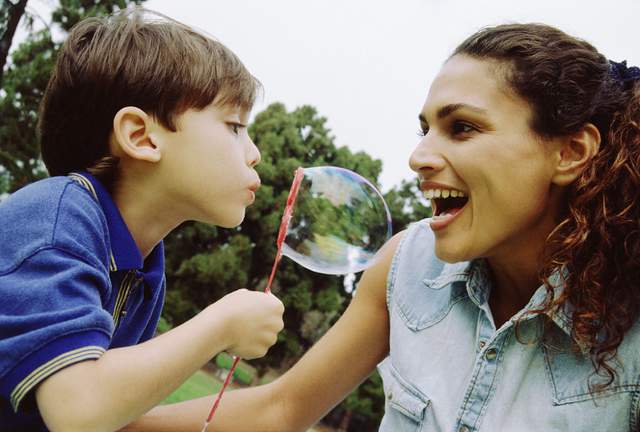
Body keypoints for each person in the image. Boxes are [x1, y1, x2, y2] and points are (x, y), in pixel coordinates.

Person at [122, 23, 640, 432]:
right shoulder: (407, 264)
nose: (419, 157)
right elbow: (280, 410)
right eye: (425, 130)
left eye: (462, 127)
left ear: (570, 152)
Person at [0, 8, 285, 432]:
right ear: (140, 136)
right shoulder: (58, 222)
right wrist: (221, 324)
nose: (254, 153)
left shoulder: (143, 266)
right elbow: (78, 409)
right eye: (234, 126)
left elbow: (112, 413)